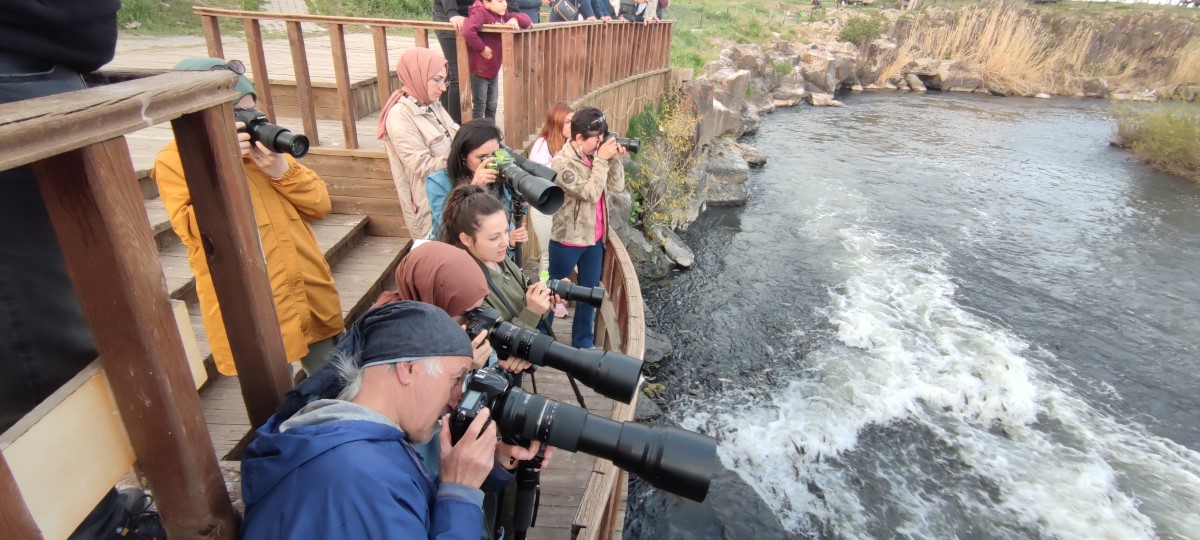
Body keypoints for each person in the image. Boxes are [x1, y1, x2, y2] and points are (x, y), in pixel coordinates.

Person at [240, 301, 542, 539]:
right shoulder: (354, 477)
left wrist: (490, 464)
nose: (456, 398)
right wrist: (460, 494)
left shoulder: (359, 442)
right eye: (456, 379)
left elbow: (406, 505)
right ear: (408, 369)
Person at [152, 58, 344, 377]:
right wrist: (221, 164)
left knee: (335, 381)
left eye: (251, 110)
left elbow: (320, 205)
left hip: (306, 293)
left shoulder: (266, 152)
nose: (249, 122)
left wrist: (282, 171)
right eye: (235, 114)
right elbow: (195, 231)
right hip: (252, 306)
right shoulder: (174, 160)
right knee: (271, 397)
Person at [0, 0, 119, 432]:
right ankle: (83, 495)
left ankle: (92, 495)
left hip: (44, 73)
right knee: (39, 346)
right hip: (25, 78)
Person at [441, 184, 565, 376]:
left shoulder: (497, 258)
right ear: (466, 239)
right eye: (494, 237)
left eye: (506, 232)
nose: (506, 243)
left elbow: (524, 292)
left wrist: (543, 295)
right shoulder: (467, 286)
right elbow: (494, 344)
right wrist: (532, 312)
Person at [548, 107, 625, 349]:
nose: (601, 143)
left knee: (589, 295)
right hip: (568, 240)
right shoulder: (561, 163)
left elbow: (617, 186)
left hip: (595, 238)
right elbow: (590, 193)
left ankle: (583, 341)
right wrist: (602, 159)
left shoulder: (595, 156)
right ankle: (542, 336)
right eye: (596, 139)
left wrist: (614, 161)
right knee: (554, 292)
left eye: (603, 137)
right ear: (579, 137)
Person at [373, 241, 495, 371]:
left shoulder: (423, 319)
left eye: (479, 310)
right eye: (464, 313)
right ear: (432, 300)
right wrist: (459, 369)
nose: (473, 321)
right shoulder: (389, 346)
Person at [378, 47, 459, 240]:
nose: (444, 88)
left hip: (450, 197)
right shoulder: (400, 116)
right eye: (437, 80)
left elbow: (456, 136)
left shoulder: (431, 103)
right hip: (430, 208)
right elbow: (422, 166)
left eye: (444, 80)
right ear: (417, 75)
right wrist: (463, 159)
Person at [426, 119, 526, 249]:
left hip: (493, 258)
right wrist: (472, 189)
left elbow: (503, 222)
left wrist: (510, 238)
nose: (490, 162)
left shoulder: (498, 177)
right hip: (459, 258)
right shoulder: (438, 182)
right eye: (482, 157)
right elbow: (444, 232)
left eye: (495, 155)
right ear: (463, 155)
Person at [463, 0, 532, 120]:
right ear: (487, 3)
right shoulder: (480, 12)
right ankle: (478, 135)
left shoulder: (503, 15)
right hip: (479, 69)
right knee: (480, 106)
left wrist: (515, 19)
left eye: (505, 1)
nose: (504, 4)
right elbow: (468, 31)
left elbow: (526, 19)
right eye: (500, 1)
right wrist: (482, 48)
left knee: (492, 105)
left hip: (493, 69)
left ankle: (491, 132)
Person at [432, 0, 474, 124]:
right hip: (448, 18)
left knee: (453, 74)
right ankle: (455, 125)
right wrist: (452, 13)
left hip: (470, 18)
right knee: (458, 75)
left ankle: (445, 118)